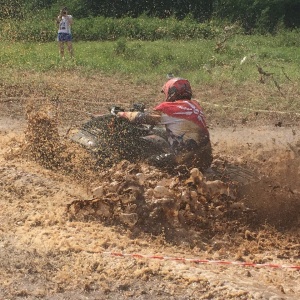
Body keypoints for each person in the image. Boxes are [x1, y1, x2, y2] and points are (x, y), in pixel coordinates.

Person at [117, 77, 213, 171]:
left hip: (183, 162)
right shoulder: (195, 105)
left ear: (171, 92)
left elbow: (142, 117)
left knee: (146, 161)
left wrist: (121, 113)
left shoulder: (169, 107)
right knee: (164, 134)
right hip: (206, 161)